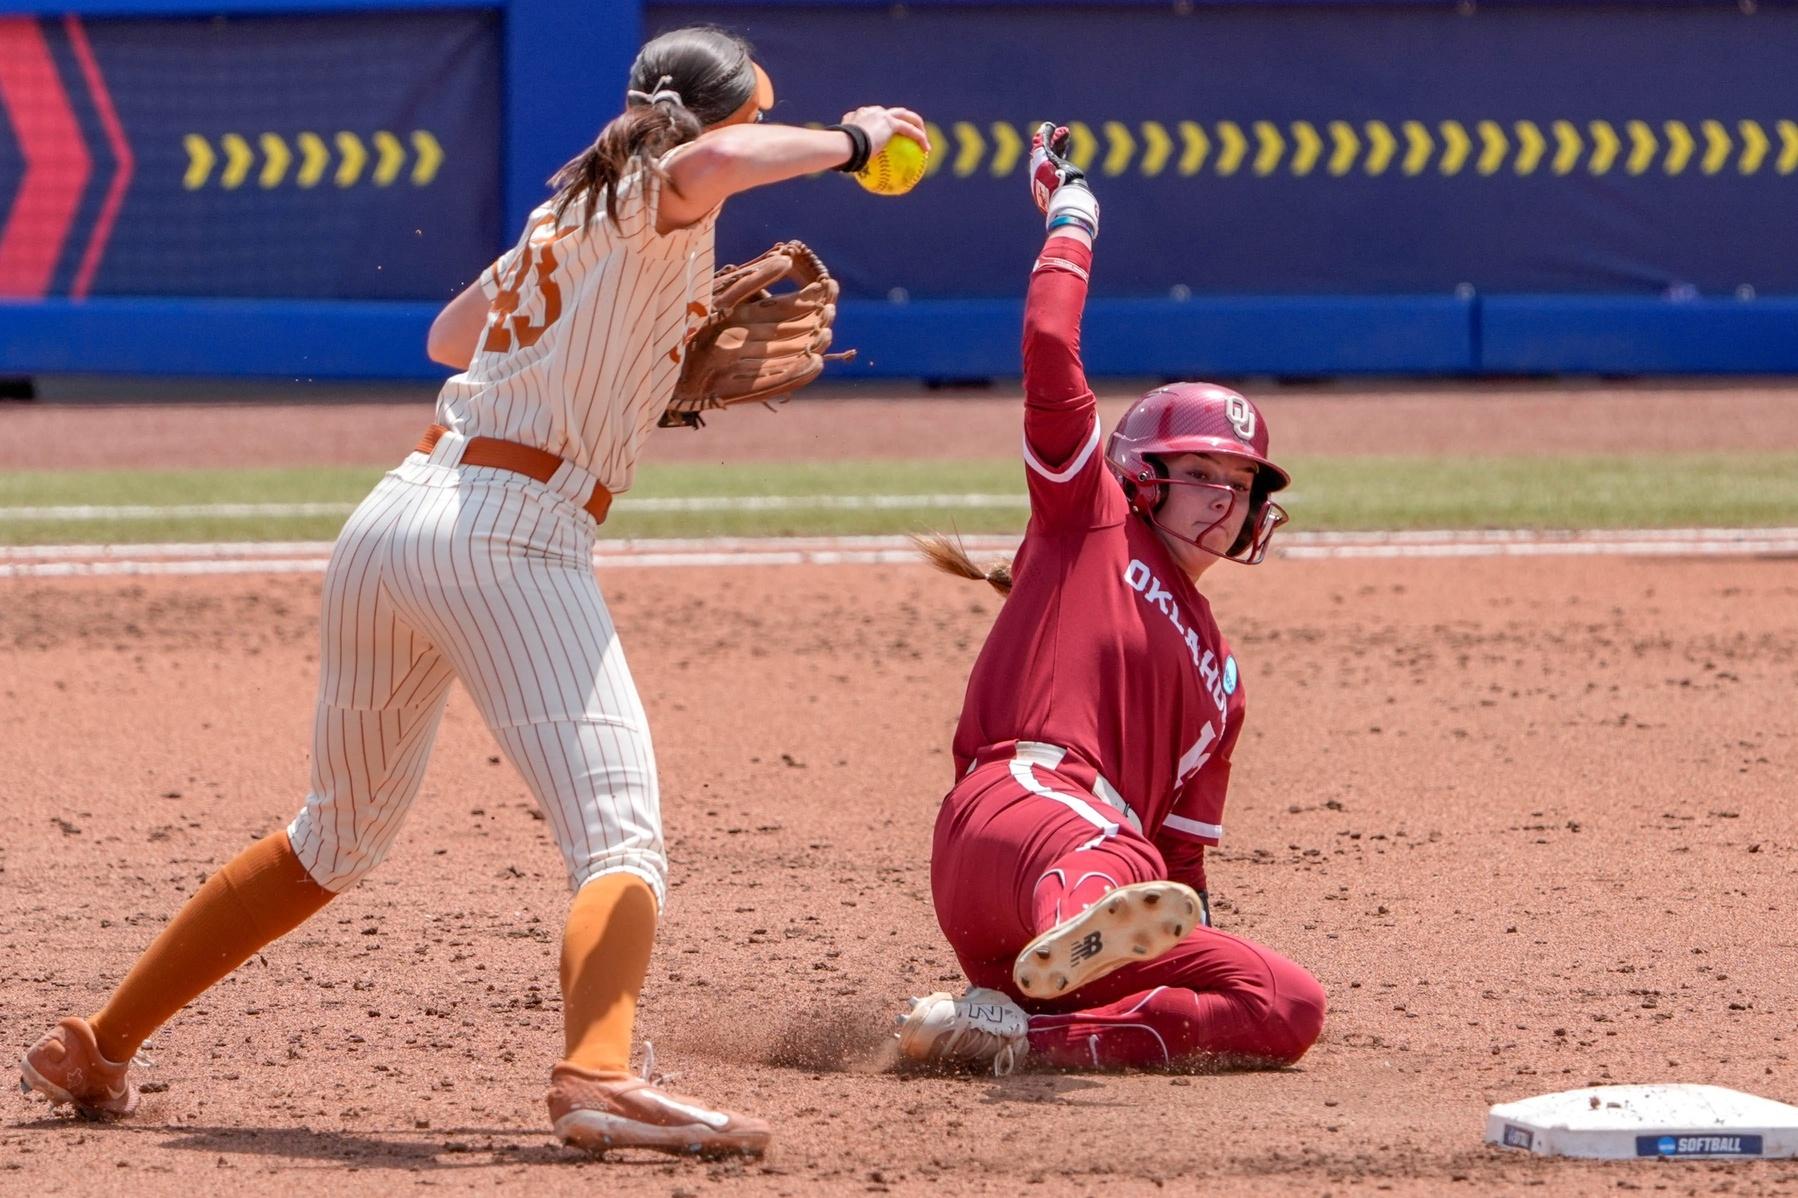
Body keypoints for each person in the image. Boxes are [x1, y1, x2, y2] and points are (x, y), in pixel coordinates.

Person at [19, 26, 926, 1159]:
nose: (759, 133)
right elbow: (714, 165)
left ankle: (97, 1043)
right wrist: (853, 141)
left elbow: (452, 337)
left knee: (331, 838)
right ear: (724, 117)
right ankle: (599, 1075)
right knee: (621, 838)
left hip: (396, 517)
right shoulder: (670, 183)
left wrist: (634, 352)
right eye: (758, 113)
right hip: (508, 536)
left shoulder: (571, 211)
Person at [895, 124, 1325, 1075]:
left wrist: (1194, 958)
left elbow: (1183, 867)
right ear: (1142, 475)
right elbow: (1051, 342)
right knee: (1122, 866)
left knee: (1285, 1005)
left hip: (1066, 907)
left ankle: (1013, 1034)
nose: (1224, 498)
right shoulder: (1088, 519)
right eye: (1200, 473)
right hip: (1018, 817)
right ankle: (1080, 924)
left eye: (1241, 484)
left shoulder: (1223, 681)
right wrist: (1073, 215)